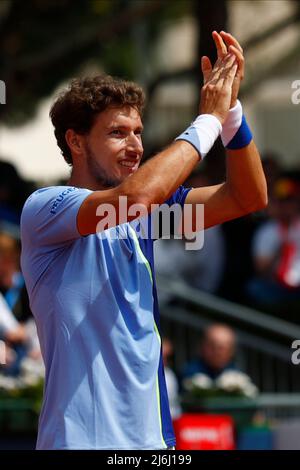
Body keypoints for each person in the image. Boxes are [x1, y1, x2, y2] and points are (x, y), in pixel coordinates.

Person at [20, 31, 267, 450]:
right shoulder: (46, 207)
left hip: (154, 445)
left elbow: (247, 197)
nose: (135, 145)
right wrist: (205, 121)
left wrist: (230, 115)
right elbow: (136, 197)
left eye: (138, 132)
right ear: (76, 141)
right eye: (118, 133)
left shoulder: (147, 216)